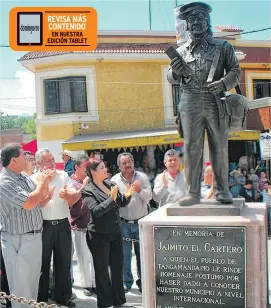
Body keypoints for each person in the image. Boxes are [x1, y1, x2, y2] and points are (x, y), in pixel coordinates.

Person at [167, 2, 242, 206]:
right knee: (192, 148)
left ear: (207, 22)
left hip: (214, 100)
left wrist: (223, 83)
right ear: (187, 26)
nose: (196, 23)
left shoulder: (223, 48)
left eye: (200, 18)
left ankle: (222, 190)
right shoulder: (181, 51)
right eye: (192, 20)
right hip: (189, 101)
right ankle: (192, 192)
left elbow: (236, 71)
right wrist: (174, 71)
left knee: (219, 145)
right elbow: (170, 77)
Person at [0, 143, 52, 308]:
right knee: (21, 288)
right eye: (23, 156)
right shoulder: (5, 181)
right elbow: (29, 202)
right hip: (18, 240)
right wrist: (43, 183)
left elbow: (38, 199)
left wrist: (45, 186)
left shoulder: (23, 177)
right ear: (14, 161)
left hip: (33, 237)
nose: (27, 159)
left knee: (31, 284)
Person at [82, 158, 134, 308]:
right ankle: (105, 304)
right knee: (102, 270)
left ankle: (119, 301)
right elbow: (96, 211)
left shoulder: (111, 184)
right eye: (102, 167)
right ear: (93, 172)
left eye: (105, 167)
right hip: (98, 235)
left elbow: (121, 203)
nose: (106, 169)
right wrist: (111, 198)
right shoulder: (88, 190)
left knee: (117, 267)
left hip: (115, 232)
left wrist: (128, 195)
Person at [31, 149, 80, 307]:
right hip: (43, 226)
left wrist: (68, 195)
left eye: (53, 159)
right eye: (47, 161)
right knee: (42, 263)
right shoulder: (33, 179)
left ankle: (63, 297)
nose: (52, 163)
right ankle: (42, 297)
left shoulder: (63, 175)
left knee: (64, 261)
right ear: (39, 164)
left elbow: (74, 195)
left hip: (62, 224)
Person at [111, 153, 152, 293]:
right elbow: (113, 202)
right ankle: (126, 282)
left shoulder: (142, 177)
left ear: (133, 162)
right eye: (124, 163)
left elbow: (150, 197)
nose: (127, 165)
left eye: (129, 162)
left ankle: (143, 282)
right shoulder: (114, 180)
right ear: (119, 166)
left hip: (140, 222)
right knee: (124, 255)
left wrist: (140, 190)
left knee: (142, 255)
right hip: (123, 223)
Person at [70, 155, 96, 296]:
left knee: (94, 257)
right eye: (85, 167)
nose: (88, 170)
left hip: (93, 224)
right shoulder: (71, 182)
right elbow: (73, 200)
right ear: (77, 167)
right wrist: (85, 184)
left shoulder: (91, 181)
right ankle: (86, 285)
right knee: (82, 258)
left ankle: (95, 283)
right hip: (79, 225)